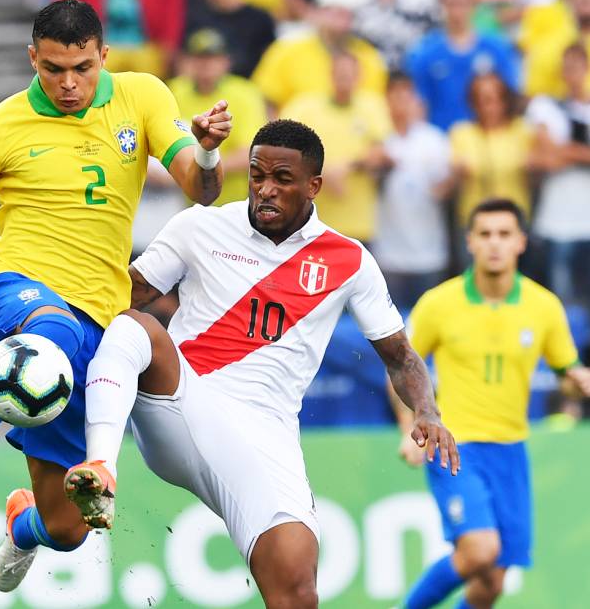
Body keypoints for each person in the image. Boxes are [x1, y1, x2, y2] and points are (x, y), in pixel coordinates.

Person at [0, 0, 232, 594]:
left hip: (93, 330)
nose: (69, 84)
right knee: (53, 338)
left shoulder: (142, 96)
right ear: (32, 59)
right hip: (8, 297)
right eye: (53, 69)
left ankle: (24, 525)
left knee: (70, 529)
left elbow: (201, 189)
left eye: (83, 68)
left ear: (104, 57)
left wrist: (207, 150)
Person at [62, 119, 460, 609]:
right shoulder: (200, 226)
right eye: (256, 175)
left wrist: (427, 411)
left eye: (282, 180)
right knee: (134, 326)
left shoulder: (349, 260)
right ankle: (100, 467)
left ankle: (28, 525)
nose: (265, 190)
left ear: (313, 185)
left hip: (265, 432)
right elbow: (121, 296)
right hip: (180, 400)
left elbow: (400, 357)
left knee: (297, 586)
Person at [395, 198, 590, 609]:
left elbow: (565, 375)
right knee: (479, 551)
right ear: (470, 242)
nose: (494, 244)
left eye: (504, 234)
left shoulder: (543, 307)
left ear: (520, 242)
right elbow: (399, 368)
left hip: (511, 450)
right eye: (485, 234)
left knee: (492, 584)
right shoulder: (439, 303)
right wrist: (408, 429)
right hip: (454, 446)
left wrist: (578, 381)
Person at [281, 50, 391, 245]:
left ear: (359, 77)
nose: (344, 79)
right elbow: (283, 149)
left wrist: (347, 166)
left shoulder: (372, 105)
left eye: (349, 74)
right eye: (340, 74)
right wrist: (321, 172)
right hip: (309, 224)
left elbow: (380, 153)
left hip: (358, 224)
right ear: (330, 74)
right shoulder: (304, 106)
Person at [374, 71, 452, 310]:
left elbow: (445, 190)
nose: (401, 102)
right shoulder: (377, 140)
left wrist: (451, 180)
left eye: (406, 95)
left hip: (429, 252)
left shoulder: (434, 140)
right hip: (388, 253)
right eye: (394, 95)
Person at [169, 28, 267, 205]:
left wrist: (199, 169)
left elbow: (252, 152)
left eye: (213, 58)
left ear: (226, 61)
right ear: (187, 61)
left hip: (234, 203)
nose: (206, 65)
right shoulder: (174, 90)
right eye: (199, 58)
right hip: (184, 204)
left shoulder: (245, 93)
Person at [526, 43, 590, 307]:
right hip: (556, 220)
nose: (571, 73)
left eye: (577, 66)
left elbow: (554, 154)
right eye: (567, 67)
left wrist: (565, 152)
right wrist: (581, 153)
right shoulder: (545, 106)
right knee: (561, 304)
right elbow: (543, 159)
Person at [251, 0, 387, 112]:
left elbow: (374, 107)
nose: (340, 24)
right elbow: (265, 100)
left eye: (347, 15)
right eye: (334, 14)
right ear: (319, 13)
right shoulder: (287, 49)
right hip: (293, 138)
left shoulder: (369, 57)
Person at [404, 0, 520, 131]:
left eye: (462, 3)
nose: (457, 11)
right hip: (443, 134)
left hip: (487, 137)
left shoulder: (496, 48)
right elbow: (418, 102)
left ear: (473, 6)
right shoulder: (426, 53)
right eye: (452, 4)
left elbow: (511, 93)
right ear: (442, 6)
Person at [447, 73, 536, 239]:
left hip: (514, 221)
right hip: (474, 222)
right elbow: (453, 176)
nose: (489, 106)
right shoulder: (461, 132)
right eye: (481, 99)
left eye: (495, 98)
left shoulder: (522, 130)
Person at [185, 0, 277, 78]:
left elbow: (270, 58)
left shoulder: (260, 19)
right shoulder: (196, 16)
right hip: (204, 86)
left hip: (249, 84)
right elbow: (185, 59)